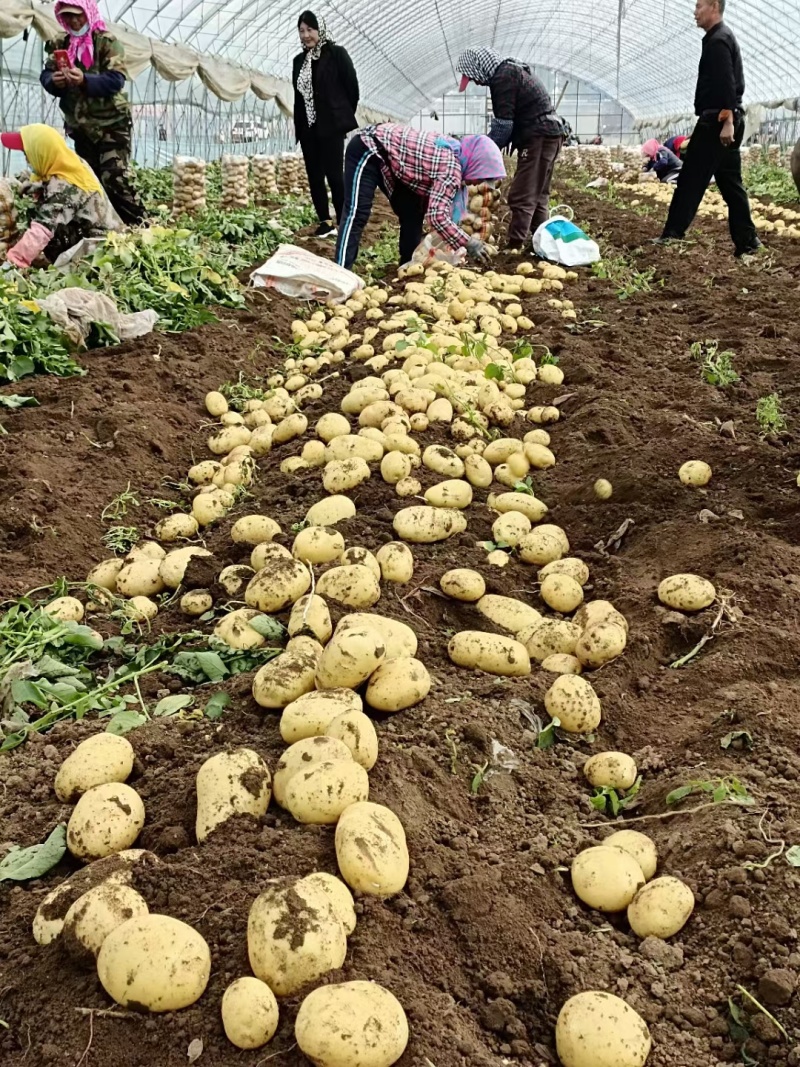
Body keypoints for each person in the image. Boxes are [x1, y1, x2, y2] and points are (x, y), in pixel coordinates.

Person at [658, 0, 760, 256]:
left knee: (691, 180)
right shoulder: (719, 38)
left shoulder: (718, 41)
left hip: (718, 121)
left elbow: (727, 85)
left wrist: (726, 122)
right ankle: (748, 241)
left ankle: (672, 234)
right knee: (730, 183)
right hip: (720, 120)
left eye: (699, 6)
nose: (695, 12)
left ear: (714, 6)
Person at [335, 124, 505, 271]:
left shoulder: (457, 155)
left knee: (413, 211)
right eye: (480, 177)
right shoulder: (450, 169)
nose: (476, 183)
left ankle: (408, 266)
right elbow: (437, 217)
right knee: (357, 212)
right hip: (369, 146)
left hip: (392, 160)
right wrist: (469, 243)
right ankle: (341, 272)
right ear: (476, 163)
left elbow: (433, 205)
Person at [40, 0, 144, 226]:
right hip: (82, 126)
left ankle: (140, 224)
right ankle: (106, 226)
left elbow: (116, 80)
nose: (74, 20)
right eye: (68, 16)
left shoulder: (106, 42)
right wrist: (54, 82)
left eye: (78, 15)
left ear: (88, 13)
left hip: (111, 123)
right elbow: (46, 75)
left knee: (114, 177)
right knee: (90, 179)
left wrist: (85, 80)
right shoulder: (61, 43)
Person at [456, 48, 563, 249]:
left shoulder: (503, 76)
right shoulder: (510, 70)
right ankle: (543, 242)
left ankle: (515, 244)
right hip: (547, 134)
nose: (477, 82)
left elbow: (503, 125)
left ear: (480, 66)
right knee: (538, 195)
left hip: (539, 135)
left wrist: (480, 154)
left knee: (523, 193)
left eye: (473, 77)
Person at [1, 124, 119, 269]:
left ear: (41, 154)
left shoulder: (63, 187)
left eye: (28, 154)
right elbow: (49, 185)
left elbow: (41, 231)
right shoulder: (69, 163)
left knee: (45, 227)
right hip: (105, 235)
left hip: (98, 250)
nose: (27, 160)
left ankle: (68, 266)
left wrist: (11, 265)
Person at [293, 10, 359, 238]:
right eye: (301, 31)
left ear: (319, 29)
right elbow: (299, 96)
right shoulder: (298, 62)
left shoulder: (336, 54)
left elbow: (352, 88)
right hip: (308, 128)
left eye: (310, 29)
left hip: (331, 126)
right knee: (314, 176)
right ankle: (325, 220)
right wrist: (300, 126)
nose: (306, 35)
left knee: (334, 174)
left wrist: (341, 115)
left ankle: (343, 220)